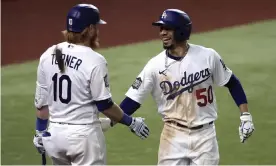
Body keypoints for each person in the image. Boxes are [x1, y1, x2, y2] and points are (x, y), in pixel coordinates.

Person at [101, 9, 255, 165]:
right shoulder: (155, 66)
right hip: (172, 136)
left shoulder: (208, 56)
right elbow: (133, 99)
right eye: (161, 29)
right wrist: (112, 121)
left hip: (205, 137)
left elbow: (232, 83)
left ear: (181, 31)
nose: (162, 33)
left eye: (167, 29)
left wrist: (246, 116)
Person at [32, 4, 149, 165]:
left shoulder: (48, 54)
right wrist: (131, 122)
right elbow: (105, 105)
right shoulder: (95, 61)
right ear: (91, 29)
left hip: (54, 136)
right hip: (83, 139)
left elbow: (41, 103)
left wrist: (39, 131)